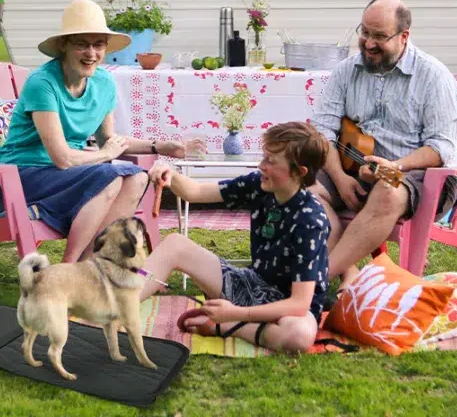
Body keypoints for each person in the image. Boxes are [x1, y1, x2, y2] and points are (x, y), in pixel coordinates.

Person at [0, 0, 198, 263]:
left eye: (98, 45)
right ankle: (68, 269)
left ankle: (89, 265)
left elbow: (109, 141)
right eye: (81, 44)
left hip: (72, 174)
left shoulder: (104, 83)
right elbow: (63, 157)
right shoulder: (43, 83)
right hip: (24, 175)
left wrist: (159, 146)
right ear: (63, 47)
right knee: (110, 176)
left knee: (138, 178)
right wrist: (104, 155)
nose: (91, 53)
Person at [310, 0, 457, 292]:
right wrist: (340, 179)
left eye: (379, 36)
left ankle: (316, 279)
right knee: (303, 187)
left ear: (404, 37)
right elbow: (322, 131)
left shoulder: (433, 77)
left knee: (388, 191)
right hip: (353, 168)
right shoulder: (346, 71)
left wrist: (396, 166)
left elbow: (441, 148)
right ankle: (349, 272)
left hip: (417, 173)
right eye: (364, 32)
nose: (368, 43)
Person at [138, 122, 331, 353]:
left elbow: (299, 304)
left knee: (298, 336)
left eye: (271, 161)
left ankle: (227, 327)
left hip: (290, 310)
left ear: (299, 172)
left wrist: (234, 314)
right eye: (264, 157)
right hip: (252, 286)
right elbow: (196, 192)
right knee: (174, 244)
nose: (261, 165)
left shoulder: (311, 220)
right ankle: (117, 307)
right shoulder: (258, 185)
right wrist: (171, 176)